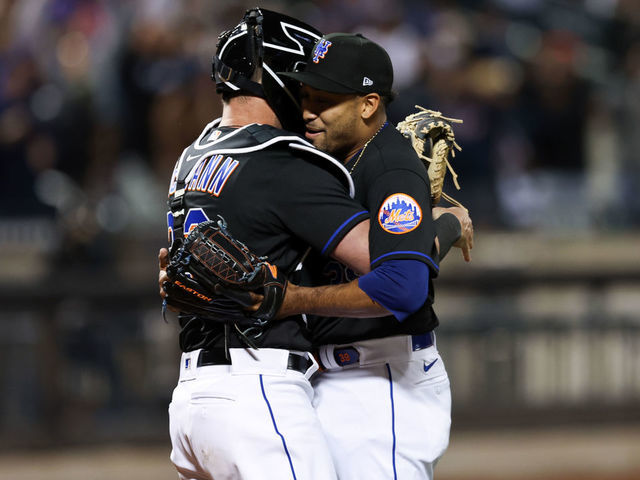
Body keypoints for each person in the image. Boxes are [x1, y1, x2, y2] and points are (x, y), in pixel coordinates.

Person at [161, 10, 375, 480]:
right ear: (277, 78)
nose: (312, 97)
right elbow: (388, 263)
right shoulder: (282, 161)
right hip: (258, 394)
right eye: (306, 82)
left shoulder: (192, 156)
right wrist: (429, 216)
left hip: (191, 404)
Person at [273, 33, 474, 479]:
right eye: (305, 96)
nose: (308, 111)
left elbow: (403, 289)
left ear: (368, 105)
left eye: (325, 100)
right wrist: (441, 227)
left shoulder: (390, 168)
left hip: (382, 381)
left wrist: (290, 300)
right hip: (333, 378)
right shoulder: (332, 158)